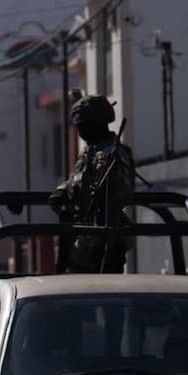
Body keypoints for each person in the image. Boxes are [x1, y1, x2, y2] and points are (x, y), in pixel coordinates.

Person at [48, 93, 135, 273]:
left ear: (96, 124)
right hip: (80, 239)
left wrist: (106, 195)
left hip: (105, 241)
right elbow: (76, 179)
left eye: (84, 126)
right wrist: (61, 193)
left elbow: (123, 191)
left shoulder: (116, 153)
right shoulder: (88, 153)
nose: (81, 132)